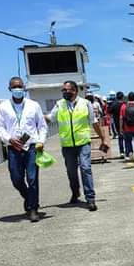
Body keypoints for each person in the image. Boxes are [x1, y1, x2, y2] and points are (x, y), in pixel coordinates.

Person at [45, 80, 109, 211]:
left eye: (66, 90)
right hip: (67, 144)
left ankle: (90, 198)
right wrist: (35, 116)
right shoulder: (59, 104)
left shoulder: (86, 104)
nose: (64, 92)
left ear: (74, 91)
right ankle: (75, 192)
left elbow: (94, 122)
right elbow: (50, 118)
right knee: (71, 171)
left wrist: (103, 138)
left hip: (83, 143)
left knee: (85, 168)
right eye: (63, 90)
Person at [0, 77, 48, 222]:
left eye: (20, 86)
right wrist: (8, 138)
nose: (17, 89)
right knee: (16, 179)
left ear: (24, 88)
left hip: (31, 146)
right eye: (14, 87)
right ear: (9, 89)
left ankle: (33, 208)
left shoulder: (33, 105)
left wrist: (41, 141)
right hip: (13, 148)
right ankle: (28, 197)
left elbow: (42, 125)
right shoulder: (3, 107)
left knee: (32, 178)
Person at [109, 91, 125, 158]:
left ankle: (122, 152)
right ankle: (128, 151)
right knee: (127, 137)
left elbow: (109, 112)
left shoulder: (114, 104)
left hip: (117, 122)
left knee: (120, 137)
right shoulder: (125, 104)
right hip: (125, 122)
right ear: (123, 97)